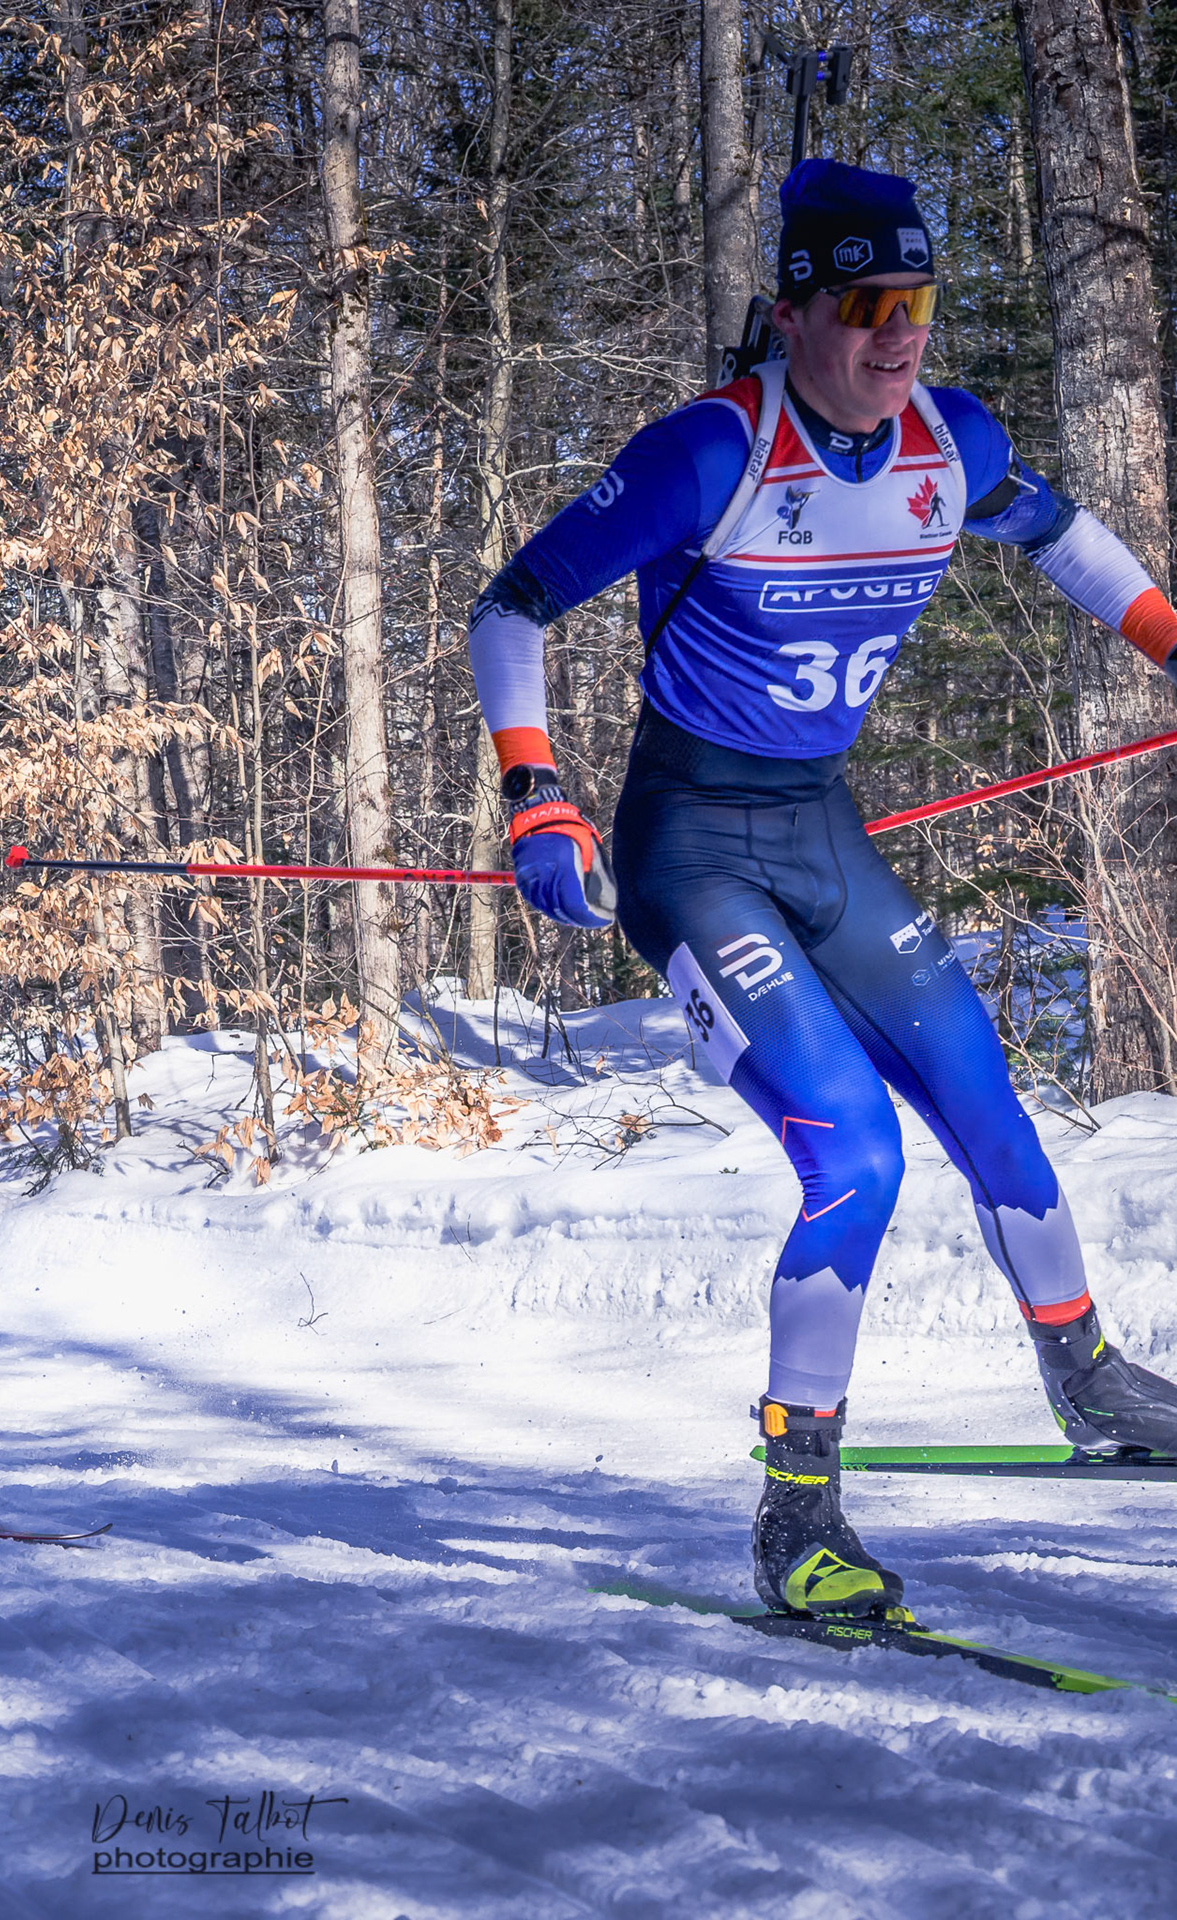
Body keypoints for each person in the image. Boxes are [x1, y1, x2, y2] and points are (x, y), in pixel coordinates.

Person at [468, 159, 1177, 1619]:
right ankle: (798, 1512)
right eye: (863, 307)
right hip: (690, 850)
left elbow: (1068, 544)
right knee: (854, 1152)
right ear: (792, 315)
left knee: (985, 1100)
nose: (896, 334)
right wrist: (537, 791)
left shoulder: (951, 445)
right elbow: (513, 604)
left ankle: (1091, 1379)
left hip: (819, 830)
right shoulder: (713, 453)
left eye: (916, 302)